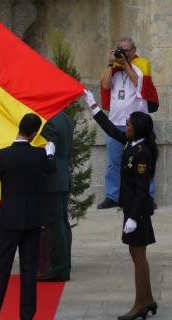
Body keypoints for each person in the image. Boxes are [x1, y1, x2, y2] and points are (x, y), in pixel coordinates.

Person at [0, 114, 56, 320]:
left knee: (0, 268)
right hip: (32, 220)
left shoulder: (3, 155)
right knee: (29, 270)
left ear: (19, 128)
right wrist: (50, 153)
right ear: (34, 134)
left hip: (9, 220)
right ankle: (26, 316)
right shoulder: (39, 155)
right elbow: (51, 169)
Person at [84, 90, 157, 320]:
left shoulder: (142, 153)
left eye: (129, 124)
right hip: (133, 210)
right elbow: (111, 129)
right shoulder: (132, 142)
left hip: (138, 212)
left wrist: (134, 218)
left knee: (138, 256)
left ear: (137, 129)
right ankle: (147, 300)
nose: (125, 126)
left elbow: (142, 190)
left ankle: (140, 303)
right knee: (137, 255)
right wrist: (94, 107)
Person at [98, 36, 158, 209]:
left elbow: (141, 86)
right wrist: (111, 64)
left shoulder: (141, 64)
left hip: (138, 123)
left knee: (144, 161)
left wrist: (125, 64)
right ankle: (113, 196)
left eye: (126, 49)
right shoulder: (114, 69)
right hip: (116, 121)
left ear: (134, 50)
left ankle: (147, 196)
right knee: (114, 162)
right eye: (120, 49)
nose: (122, 52)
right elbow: (106, 86)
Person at [37, 111, 74, 282]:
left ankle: (59, 268)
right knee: (62, 223)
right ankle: (64, 265)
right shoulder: (64, 118)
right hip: (62, 176)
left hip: (52, 178)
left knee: (55, 225)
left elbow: (48, 148)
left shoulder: (50, 120)